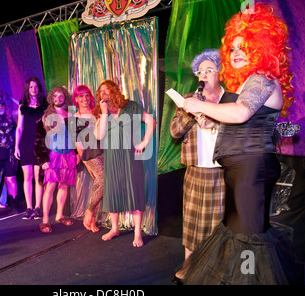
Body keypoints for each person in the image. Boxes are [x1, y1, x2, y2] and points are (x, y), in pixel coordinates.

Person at [180, 3, 301, 284]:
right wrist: (208, 121)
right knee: (238, 234)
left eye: (244, 46)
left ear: (261, 47)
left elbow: (241, 113)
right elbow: (239, 122)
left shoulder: (262, 79)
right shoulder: (249, 84)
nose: (235, 53)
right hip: (241, 172)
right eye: (232, 48)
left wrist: (198, 104)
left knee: (247, 238)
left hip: (251, 172)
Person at [170, 49, 226, 281]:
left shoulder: (231, 99)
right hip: (195, 168)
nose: (203, 75)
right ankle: (188, 268)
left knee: (217, 225)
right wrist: (190, 111)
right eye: (199, 71)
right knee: (192, 222)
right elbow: (175, 131)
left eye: (209, 70)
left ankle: (215, 271)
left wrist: (214, 122)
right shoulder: (189, 98)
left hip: (222, 170)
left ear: (220, 72)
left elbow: (241, 132)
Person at [94, 80, 156, 248]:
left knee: (134, 191)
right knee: (113, 192)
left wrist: (144, 142)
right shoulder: (101, 113)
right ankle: (115, 228)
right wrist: (104, 113)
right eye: (101, 91)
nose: (104, 92)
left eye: (107, 89)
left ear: (114, 90)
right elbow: (99, 136)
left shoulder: (131, 107)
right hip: (112, 157)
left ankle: (137, 232)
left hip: (130, 155)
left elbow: (151, 121)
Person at [35, 86, 76, 233]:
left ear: (65, 98)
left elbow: (76, 136)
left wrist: (77, 153)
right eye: (55, 96)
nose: (58, 99)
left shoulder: (71, 116)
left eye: (61, 96)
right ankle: (45, 220)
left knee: (64, 186)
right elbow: (38, 140)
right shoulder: (46, 116)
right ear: (51, 98)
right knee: (50, 187)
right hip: (53, 156)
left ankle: (59, 215)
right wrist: (43, 159)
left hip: (69, 155)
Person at [15, 77, 48, 220]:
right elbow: (19, 128)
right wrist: (16, 146)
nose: (33, 89)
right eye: (30, 87)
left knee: (38, 176)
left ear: (39, 88)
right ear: (27, 90)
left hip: (40, 145)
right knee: (27, 176)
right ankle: (29, 208)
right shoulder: (22, 106)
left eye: (35, 86)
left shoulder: (45, 106)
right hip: (25, 144)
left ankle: (38, 207)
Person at [72, 85, 104, 233]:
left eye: (86, 95)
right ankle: (89, 212)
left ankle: (93, 218)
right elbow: (78, 144)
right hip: (90, 154)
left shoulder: (97, 111)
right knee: (103, 181)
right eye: (81, 96)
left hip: (105, 149)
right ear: (76, 99)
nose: (84, 99)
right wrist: (86, 163)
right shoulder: (75, 119)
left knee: (100, 184)